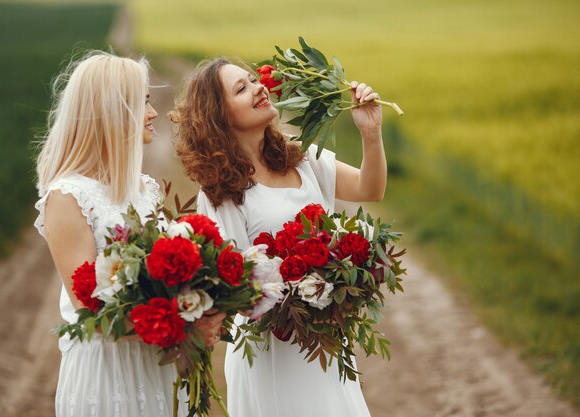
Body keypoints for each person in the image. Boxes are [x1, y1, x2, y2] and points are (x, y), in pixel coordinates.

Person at [170, 57, 385, 417]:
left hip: (324, 342)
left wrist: (371, 133)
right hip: (273, 349)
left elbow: (370, 188)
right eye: (242, 88)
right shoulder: (219, 192)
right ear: (218, 116)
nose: (259, 88)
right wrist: (302, 286)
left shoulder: (302, 157)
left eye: (253, 80)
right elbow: (235, 288)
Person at [34, 51, 225, 417]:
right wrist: (185, 327)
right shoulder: (68, 197)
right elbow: (93, 313)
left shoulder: (145, 190)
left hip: (157, 368)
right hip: (107, 373)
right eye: (143, 103)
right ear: (111, 112)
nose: (153, 114)